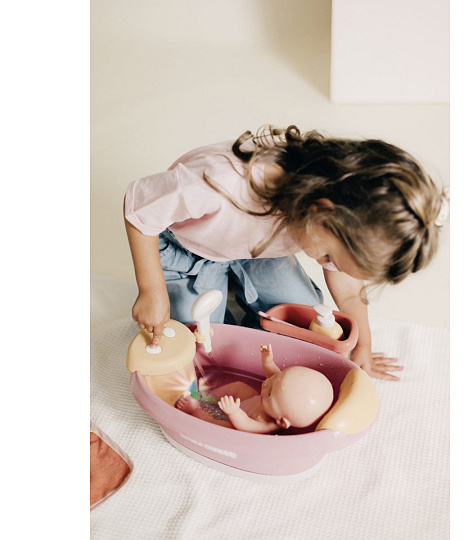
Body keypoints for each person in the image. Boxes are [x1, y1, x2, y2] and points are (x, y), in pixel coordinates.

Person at [124, 125, 448, 381]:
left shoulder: (333, 212)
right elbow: (138, 209)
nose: (329, 266)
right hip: (187, 249)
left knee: (309, 332)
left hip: (258, 251)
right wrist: (151, 290)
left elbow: (350, 290)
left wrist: (362, 344)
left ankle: (238, 293)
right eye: (328, 259)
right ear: (321, 212)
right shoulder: (218, 184)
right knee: (193, 349)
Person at [175, 345, 334, 433]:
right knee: (239, 386)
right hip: (249, 402)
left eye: (270, 393)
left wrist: (234, 412)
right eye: (275, 379)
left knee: (219, 425)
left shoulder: (266, 425)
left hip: (236, 420)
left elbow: (244, 425)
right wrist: (267, 361)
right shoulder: (278, 396)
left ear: (281, 421)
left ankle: (194, 409)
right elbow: (274, 375)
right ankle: (206, 395)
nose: (265, 383)